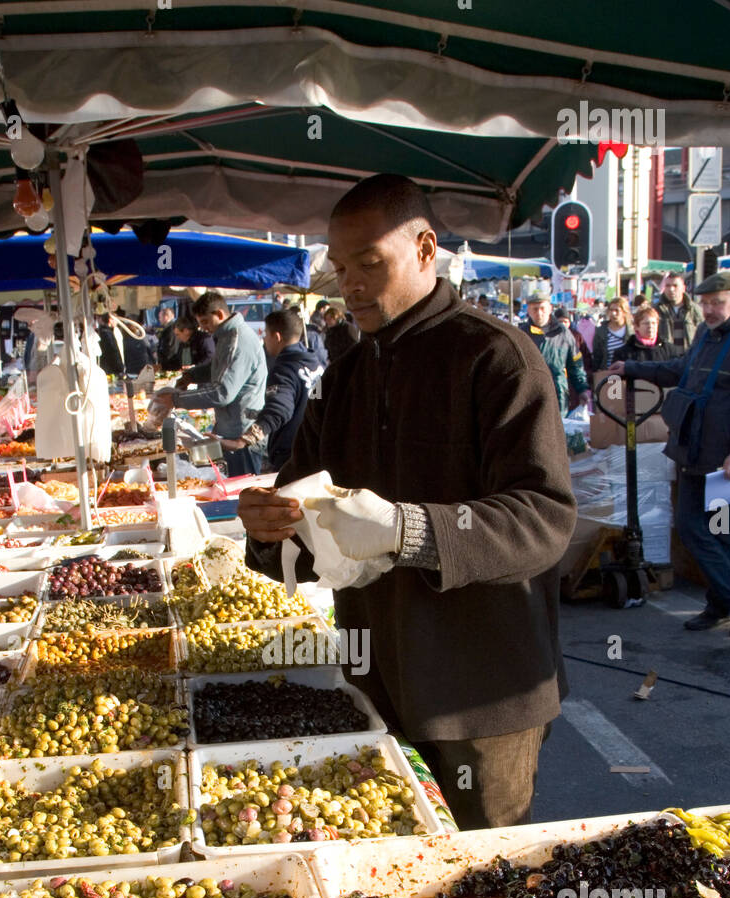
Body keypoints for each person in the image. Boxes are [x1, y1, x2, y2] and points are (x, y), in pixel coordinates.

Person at [238, 173, 576, 830]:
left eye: (370, 264)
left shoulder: (498, 359)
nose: (351, 285)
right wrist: (266, 529)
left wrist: (407, 530)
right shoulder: (344, 379)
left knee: (485, 877)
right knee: (390, 868)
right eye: (341, 269)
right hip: (376, 687)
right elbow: (304, 530)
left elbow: (544, 517)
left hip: (484, 697)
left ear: (425, 249)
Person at [611, 270, 730, 637]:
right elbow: (679, 370)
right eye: (704, 303)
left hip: (728, 461)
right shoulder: (705, 334)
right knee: (690, 527)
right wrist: (632, 368)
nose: (709, 310)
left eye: (717, 303)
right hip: (694, 449)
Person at [147, 290, 267, 477]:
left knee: (243, 488)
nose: (203, 328)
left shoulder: (237, 339)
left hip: (242, 433)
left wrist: (176, 399)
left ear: (219, 314)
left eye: (205, 322)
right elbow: (218, 367)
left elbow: (222, 392)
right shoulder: (226, 336)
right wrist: (192, 376)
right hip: (229, 427)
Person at [219, 308, 320, 473]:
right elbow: (307, 402)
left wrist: (244, 440)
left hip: (293, 457)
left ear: (277, 337)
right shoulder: (315, 364)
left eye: (266, 334)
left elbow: (280, 409)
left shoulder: (285, 370)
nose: (264, 339)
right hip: (315, 452)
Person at [520, 293, 591, 415]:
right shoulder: (521, 334)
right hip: (530, 396)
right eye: (535, 309)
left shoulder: (563, 334)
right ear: (528, 310)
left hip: (558, 396)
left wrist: (582, 389)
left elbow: (575, 365)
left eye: (542, 308)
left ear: (550, 308)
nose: (539, 313)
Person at [656, 272, 703, 351]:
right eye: (668, 286)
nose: (671, 289)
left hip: (688, 358)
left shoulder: (694, 310)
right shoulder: (656, 310)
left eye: (675, 286)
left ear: (683, 288)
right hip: (666, 359)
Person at [591, 296, 632, 369]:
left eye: (617, 310)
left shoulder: (632, 330)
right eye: (611, 310)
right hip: (609, 373)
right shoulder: (601, 332)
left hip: (629, 371)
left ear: (624, 312)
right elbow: (597, 356)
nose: (613, 313)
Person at [97, 312, 125, 378]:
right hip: (111, 369)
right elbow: (113, 350)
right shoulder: (107, 333)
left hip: (107, 368)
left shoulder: (104, 332)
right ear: (110, 320)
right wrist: (120, 368)